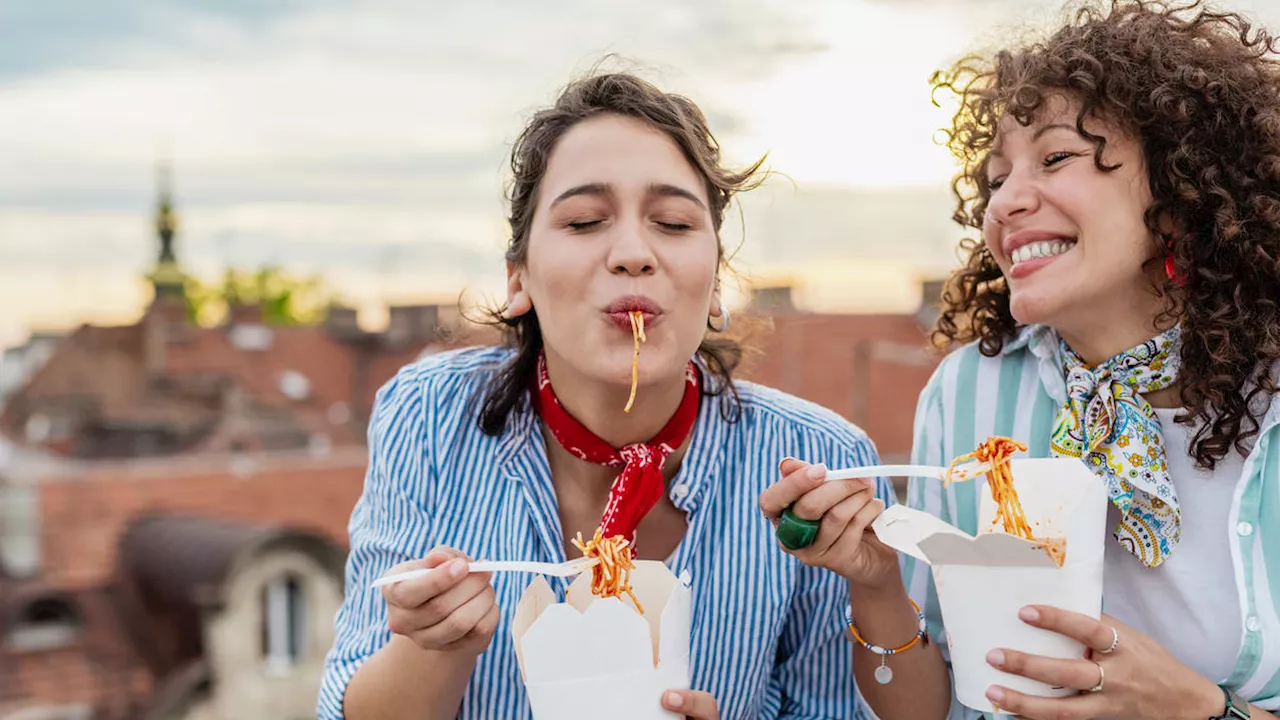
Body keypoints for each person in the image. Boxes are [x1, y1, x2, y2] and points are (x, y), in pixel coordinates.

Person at [317, 71, 894, 720]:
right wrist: (435, 648)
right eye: (586, 220)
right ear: (518, 280)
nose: (632, 253)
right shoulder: (429, 416)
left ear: (715, 289)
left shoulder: (819, 458)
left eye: (673, 223)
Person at [761, 1, 1280, 718]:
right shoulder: (967, 390)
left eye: (1056, 157)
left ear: (1181, 188)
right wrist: (877, 584)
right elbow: (932, 707)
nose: (1004, 205)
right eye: (996, 179)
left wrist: (1199, 710)